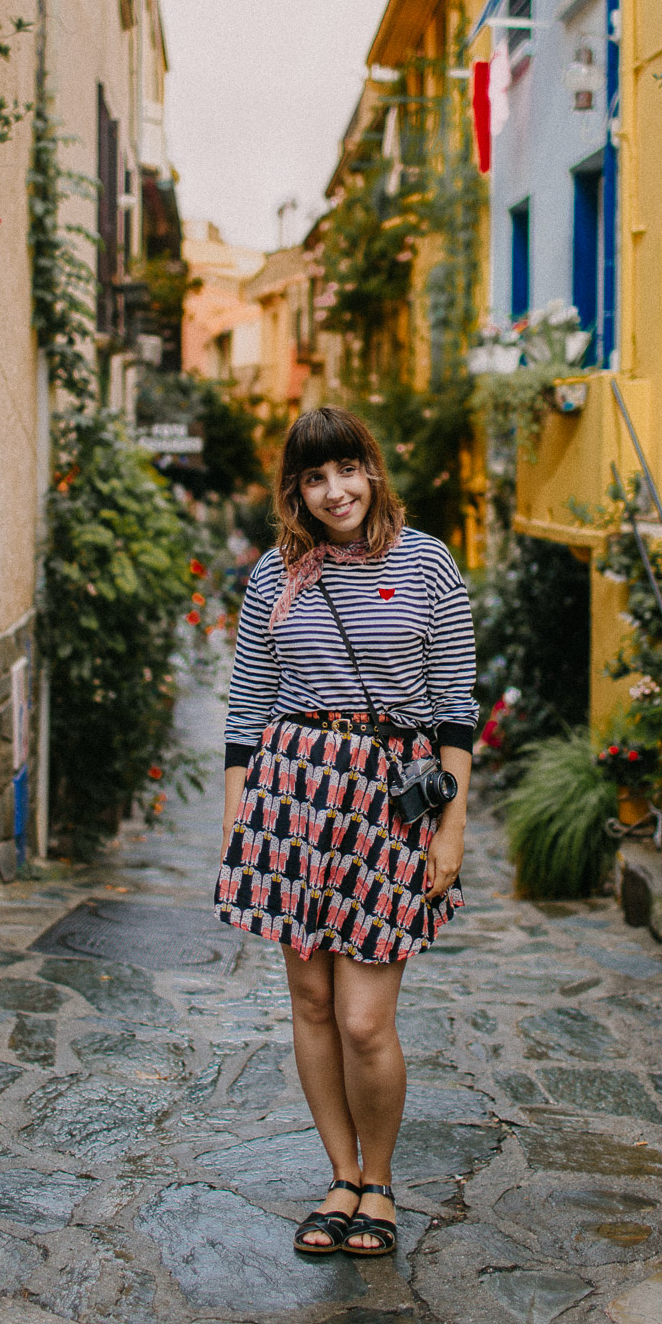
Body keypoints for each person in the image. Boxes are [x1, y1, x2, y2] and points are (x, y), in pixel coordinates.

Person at [215, 407, 477, 1258]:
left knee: (366, 1018)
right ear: (296, 490)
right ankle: (339, 1175)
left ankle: (382, 1180)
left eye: (347, 470)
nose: (335, 492)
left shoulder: (428, 563)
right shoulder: (274, 576)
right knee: (312, 1000)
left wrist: (449, 831)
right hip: (291, 792)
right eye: (314, 478)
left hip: (389, 794)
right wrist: (237, 824)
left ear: (372, 468)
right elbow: (247, 711)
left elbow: (454, 713)